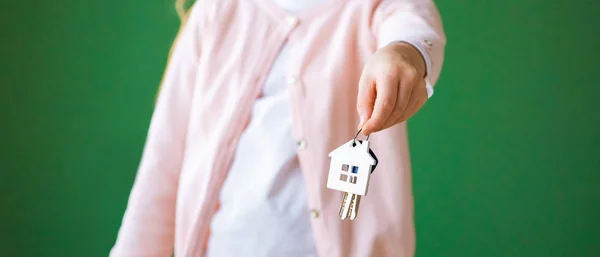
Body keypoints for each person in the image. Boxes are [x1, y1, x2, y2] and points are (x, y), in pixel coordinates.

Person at [110, 0, 446, 256]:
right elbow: (161, 170)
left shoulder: (375, 7)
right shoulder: (218, 11)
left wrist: (403, 53)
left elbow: (416, 31)